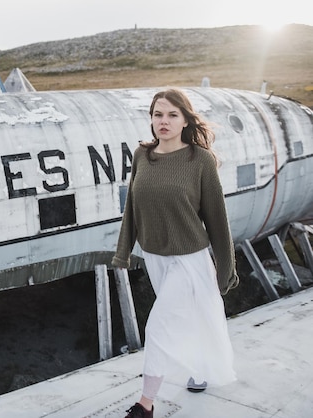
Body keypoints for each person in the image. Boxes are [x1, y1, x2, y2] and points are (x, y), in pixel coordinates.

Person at [111, 88, 239, 418]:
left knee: (159, 326)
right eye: (157, 114)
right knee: (188, 318)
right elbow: (132, 209)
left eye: (171, 115)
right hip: (155, 256)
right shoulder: (142, 155)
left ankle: (145, 405)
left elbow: (216, 218)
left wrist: (226, 266)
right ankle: (198, 370)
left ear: (185, 120)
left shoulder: (200, 160)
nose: (163, 121)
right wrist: (123, 252)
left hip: (189, 259)